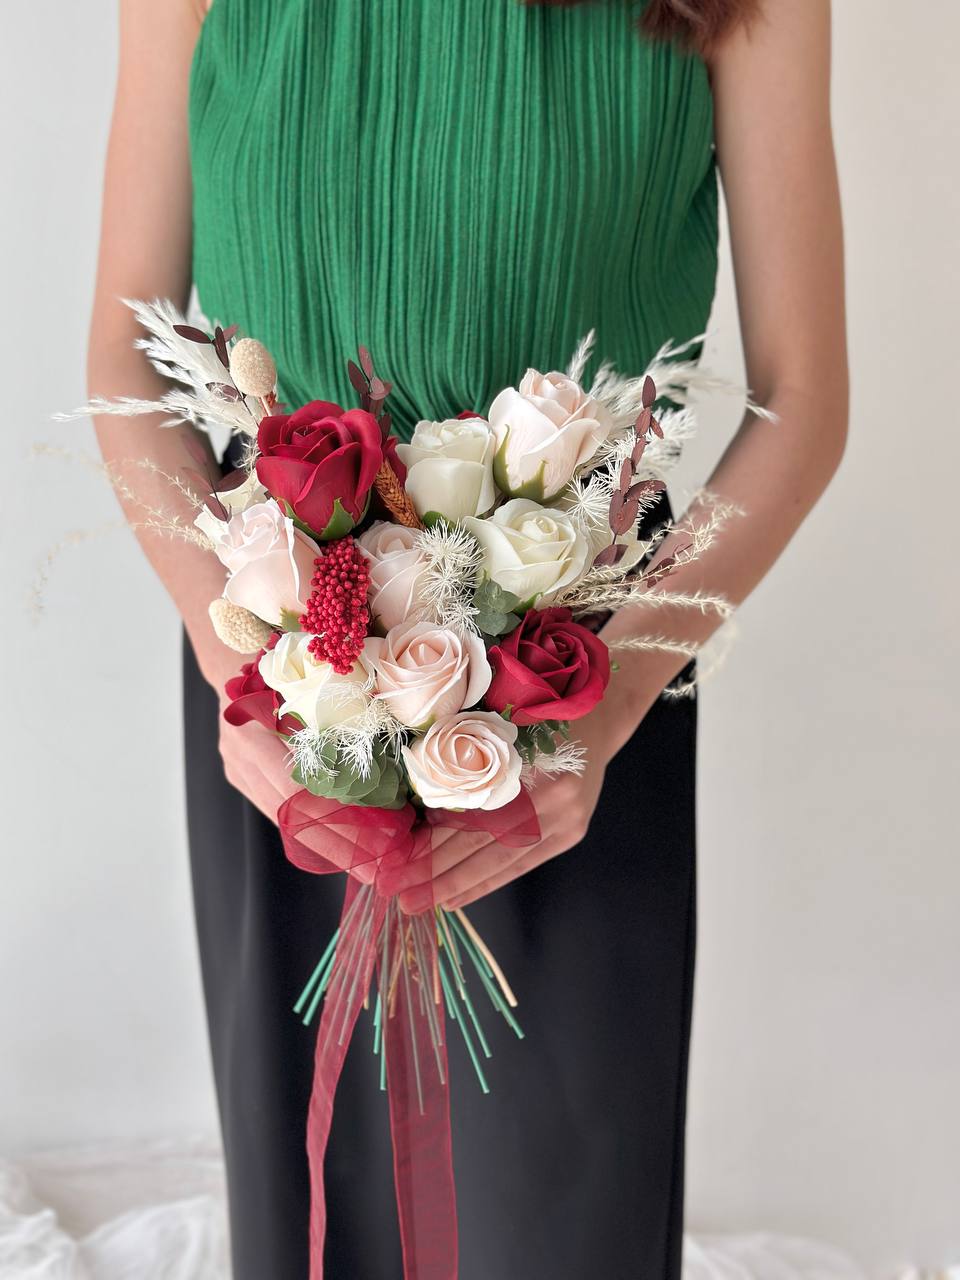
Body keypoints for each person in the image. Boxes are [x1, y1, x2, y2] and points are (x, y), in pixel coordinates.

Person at [88, 1, 847, 1275]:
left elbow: (807, 398)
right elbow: (127, 354)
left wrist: (600, 718)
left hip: (585, 678)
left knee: (559, 1211)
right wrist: (255, 677)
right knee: (314, 1206)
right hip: (282, 668)